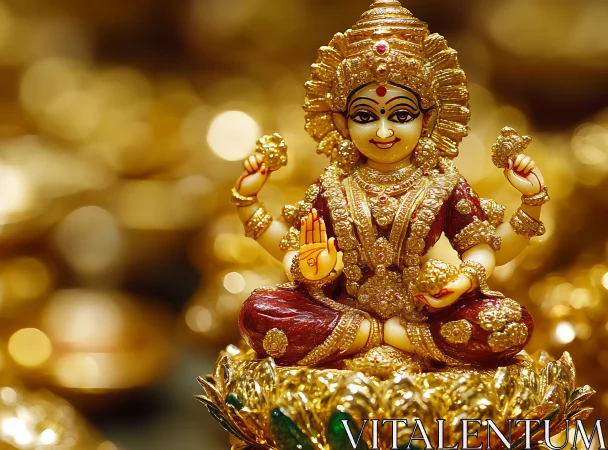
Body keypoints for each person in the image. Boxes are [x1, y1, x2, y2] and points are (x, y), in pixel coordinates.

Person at [231, 0, 548, 369]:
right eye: (365, 116)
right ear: (341, 122)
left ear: (426, 120)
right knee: (258, 312)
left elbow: (487, 249)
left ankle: (392, 334)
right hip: (343, 312)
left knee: (508, 323)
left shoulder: (443, 183)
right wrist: (258, 211)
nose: (383, 132)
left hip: (424, 310)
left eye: (400, 115)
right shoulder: (334, 184)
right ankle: (381, 336)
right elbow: (295, 248)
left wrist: (529, 203)